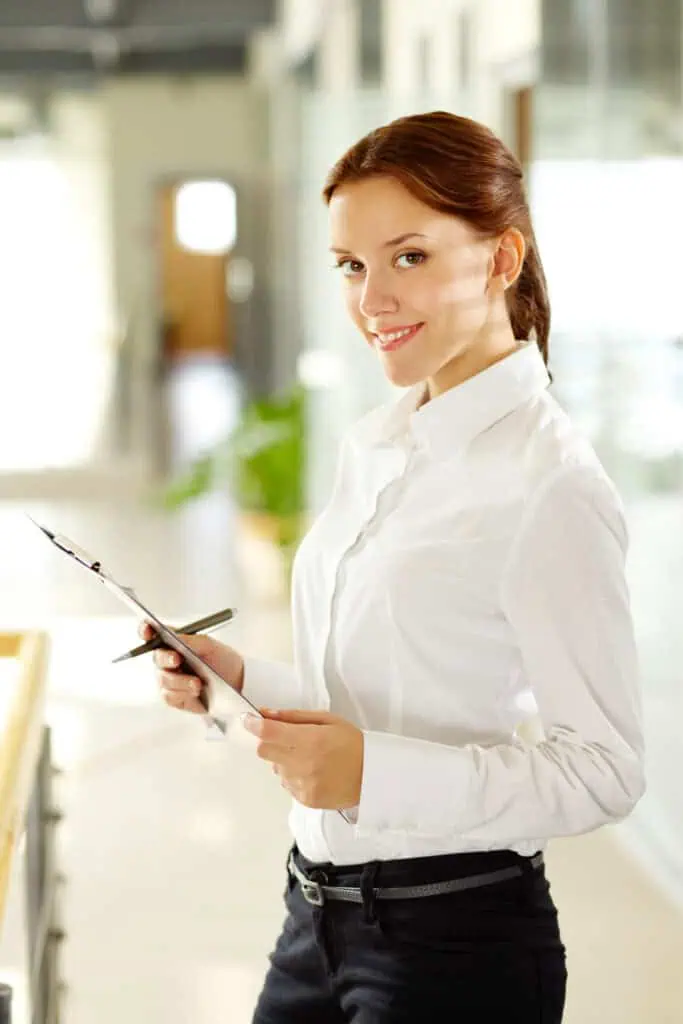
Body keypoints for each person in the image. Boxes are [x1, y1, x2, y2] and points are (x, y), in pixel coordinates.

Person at [144, 110, 645, 1022]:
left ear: (501, 260)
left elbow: (602, 772)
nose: (371, 299)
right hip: (313, 922)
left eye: (407, 257)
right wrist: (243, 680)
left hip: (457, 947)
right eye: (351, 264)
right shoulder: (378, 442)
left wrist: (372, 773)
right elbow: (391, 688)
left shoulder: (549, 486)